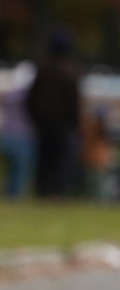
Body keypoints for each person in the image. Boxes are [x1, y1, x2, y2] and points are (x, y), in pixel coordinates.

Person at [26, 29, 81, 198]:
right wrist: (74, 123)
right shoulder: (69, 72)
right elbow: (74, 103)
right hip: (62, 126)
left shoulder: (43, 70)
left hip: (44, 125)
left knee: (45, 162)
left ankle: (44, 192)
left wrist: (36, 119)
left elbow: (31, 100)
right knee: (60, 163)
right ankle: (56, 194)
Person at [0, 62, 37, 199]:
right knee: (19, 170)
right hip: (24, 135)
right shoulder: (31, 96)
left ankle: (10, 193)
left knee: (10, 169)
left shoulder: (9, 95)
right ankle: (13, 195)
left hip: (7, 133)